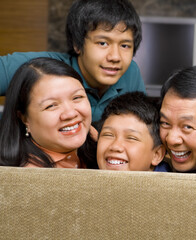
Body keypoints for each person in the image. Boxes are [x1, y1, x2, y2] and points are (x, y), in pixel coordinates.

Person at [0, 0, 145, 122]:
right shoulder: (41, 67)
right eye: (103, 43)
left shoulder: (130, 72)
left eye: (125, 46)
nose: (115, 57)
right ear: (77, 44)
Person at [0, 57, 97, 168]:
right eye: (51, 106)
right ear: (24, 118)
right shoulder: (27, 177)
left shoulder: (96, 139)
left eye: (77, 97)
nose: (70, 114)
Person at [96, 92, 171, 172]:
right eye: (108, 135)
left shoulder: (173, 183)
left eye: (131, 138)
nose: (115, 147)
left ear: (157, 155)